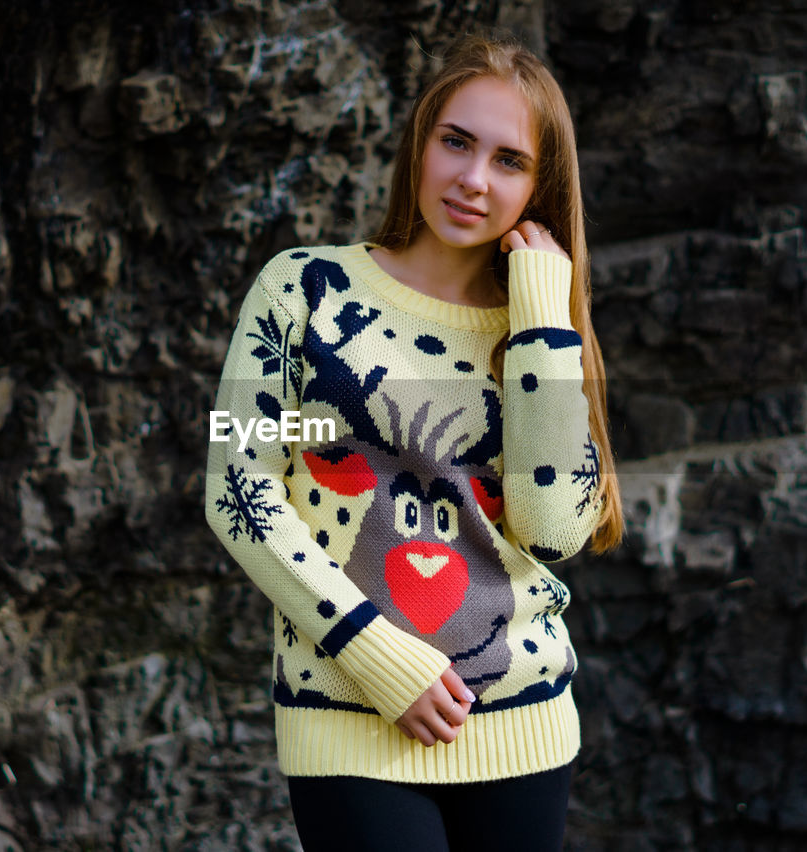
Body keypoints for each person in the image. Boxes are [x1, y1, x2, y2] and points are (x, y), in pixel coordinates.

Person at [205, 32, 624, 852]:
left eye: (509, 161)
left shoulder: (542, 333)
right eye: (456, 143)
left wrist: (544, 314)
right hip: (347, 715)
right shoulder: (300, 290)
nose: (473, 179)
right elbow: (236, 486)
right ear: (419, 144)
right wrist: (370, 652)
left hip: (524, 724)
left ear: (541, 187)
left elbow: (553, 530)